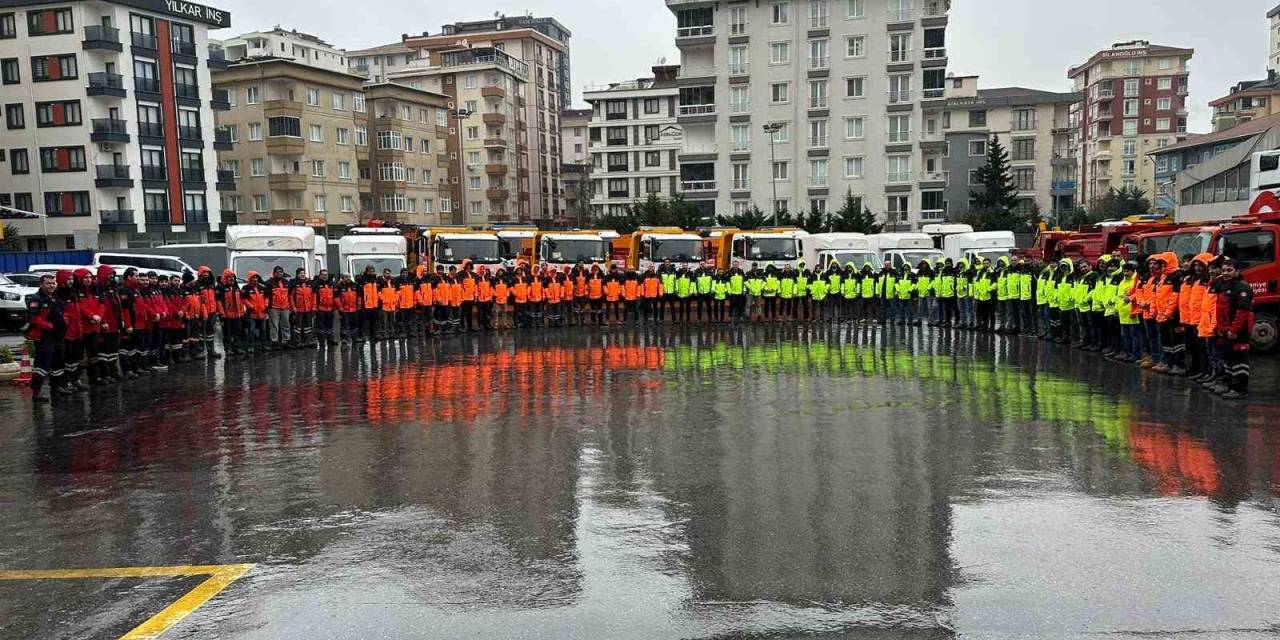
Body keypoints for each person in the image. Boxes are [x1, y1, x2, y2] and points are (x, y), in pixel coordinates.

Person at [1213, 258, 1254, 399]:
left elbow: (1242, 312)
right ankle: (1231, 386)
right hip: (1226, 330)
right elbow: (1220, 310)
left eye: (1229, 270)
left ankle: (1240, 389)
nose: (1225, 273)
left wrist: (1233, 330)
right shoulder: (1223, 286)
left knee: (1239, 360)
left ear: (1237, 271)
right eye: (1224, 270)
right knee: (1228, 359)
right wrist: (1220, 328)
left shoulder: (1242, 287)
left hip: (1238, 331)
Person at [28, 273, 67, 402]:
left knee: (58, 362)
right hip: (44, 337)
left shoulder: (56, 297)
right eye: (48, 283)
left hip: (58, 336)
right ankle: (36, 392)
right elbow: (34, 318)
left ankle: (56, 388)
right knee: (42, 364)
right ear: (41, 284)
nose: (52, 285)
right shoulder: (36, 299)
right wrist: (49, 326)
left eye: (53, 283)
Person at [217, 269, 246, 355]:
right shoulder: (220, 287)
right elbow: (218, 301)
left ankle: (237, 347)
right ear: (225, 278)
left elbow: (240, 300)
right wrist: (222, 314)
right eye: (229, 277)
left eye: (232, 276)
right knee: (227, 333)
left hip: (236, 314)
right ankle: (228, 349)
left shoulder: (236, 287)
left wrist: (241, 311)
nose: (231, 278)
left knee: (237, 332)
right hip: (226, 315)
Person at [265, 267, 293, 350]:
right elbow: (266, 296)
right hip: (273, 308)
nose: (279, 273)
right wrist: (266, 308)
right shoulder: (268, 283)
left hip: (285, 307)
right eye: (277, 272)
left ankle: (286, 341)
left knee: (286, 325)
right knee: (274, 326)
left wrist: (290, 306)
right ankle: (275, 342)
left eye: (281, 272)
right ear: (274, 273)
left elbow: (290, 295)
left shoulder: (286, 282)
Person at [242, 272, 269, 354]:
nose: (255, 279)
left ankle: (263, 345)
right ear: (250, 279)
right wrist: (250, 306)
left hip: (262, 313)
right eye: (253, 278)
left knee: (263, 330)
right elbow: (243, 299)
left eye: (256, 278)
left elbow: (267, 297)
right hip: (252, 313)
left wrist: (265, 305)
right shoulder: (245, 288)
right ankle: (250, 347)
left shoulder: (262, 287)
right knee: (251, 330)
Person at [314, 270, 338, 346]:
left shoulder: (332, 284)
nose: (325, 276)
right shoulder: (316, 284)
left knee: (330, 326)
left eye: (326, 275)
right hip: (320, 308)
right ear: (320, 275)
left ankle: (330, 340)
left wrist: (335, 307)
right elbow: (314, 297)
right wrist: (315, 307)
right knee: (321, 326)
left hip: (330, 308)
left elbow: (335, 296)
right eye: (323, 275)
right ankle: (321, 342)